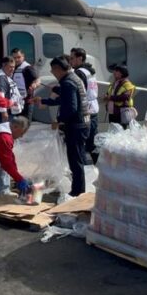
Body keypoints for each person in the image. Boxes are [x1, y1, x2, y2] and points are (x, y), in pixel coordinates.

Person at [34, 55, 89, 197]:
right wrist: (45, 101)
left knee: (75, 160)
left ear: (58, 69)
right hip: (81, 124)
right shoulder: (73, 78)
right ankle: (78, 190)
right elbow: (64, 100)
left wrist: (59, 120)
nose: (52, 73)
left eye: (52, 71)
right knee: (76, 159)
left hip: (76, 126)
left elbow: (71, 108)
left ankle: (77, 192)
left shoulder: (68, 83)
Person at [69, 48, 100, 164]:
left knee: (82, 142)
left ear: (80, 58)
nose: (70, 61)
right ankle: (99, 165)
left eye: (72, 58)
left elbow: (77, 93)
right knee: (93, 142)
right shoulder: (89, 71)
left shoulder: (79, 73)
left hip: (86, 110)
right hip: (93, 108)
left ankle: (85, 168)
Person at [0, 56, 24, 126]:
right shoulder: (1, 77)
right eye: (10, 67)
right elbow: (0, 96)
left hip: (6, 111)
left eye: (14, 67)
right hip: (2, 113)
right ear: (3, 65)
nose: (12, 69)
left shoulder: (4, 75)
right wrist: (4, 112)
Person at [104, 64, 136, 129]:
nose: (114, 72)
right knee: (112, 130)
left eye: (116, 71)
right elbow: (110, 92)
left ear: (122, 73)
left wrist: (110, 97)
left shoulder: (127, 84)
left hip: (120, 113)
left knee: (120, 131)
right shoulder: (114, 83)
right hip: (112, 112)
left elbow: (125, 97)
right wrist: (106, 95)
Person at [11, 48, 40, 118]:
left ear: (23, 56)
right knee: (16, 122)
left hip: (27, 102)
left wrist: (34, 85)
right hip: (16, 102)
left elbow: (38, 79)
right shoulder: (13, 68)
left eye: (19, 57)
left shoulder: (27, 68)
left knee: (25, 122)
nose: (16, 59)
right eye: (14, 58)